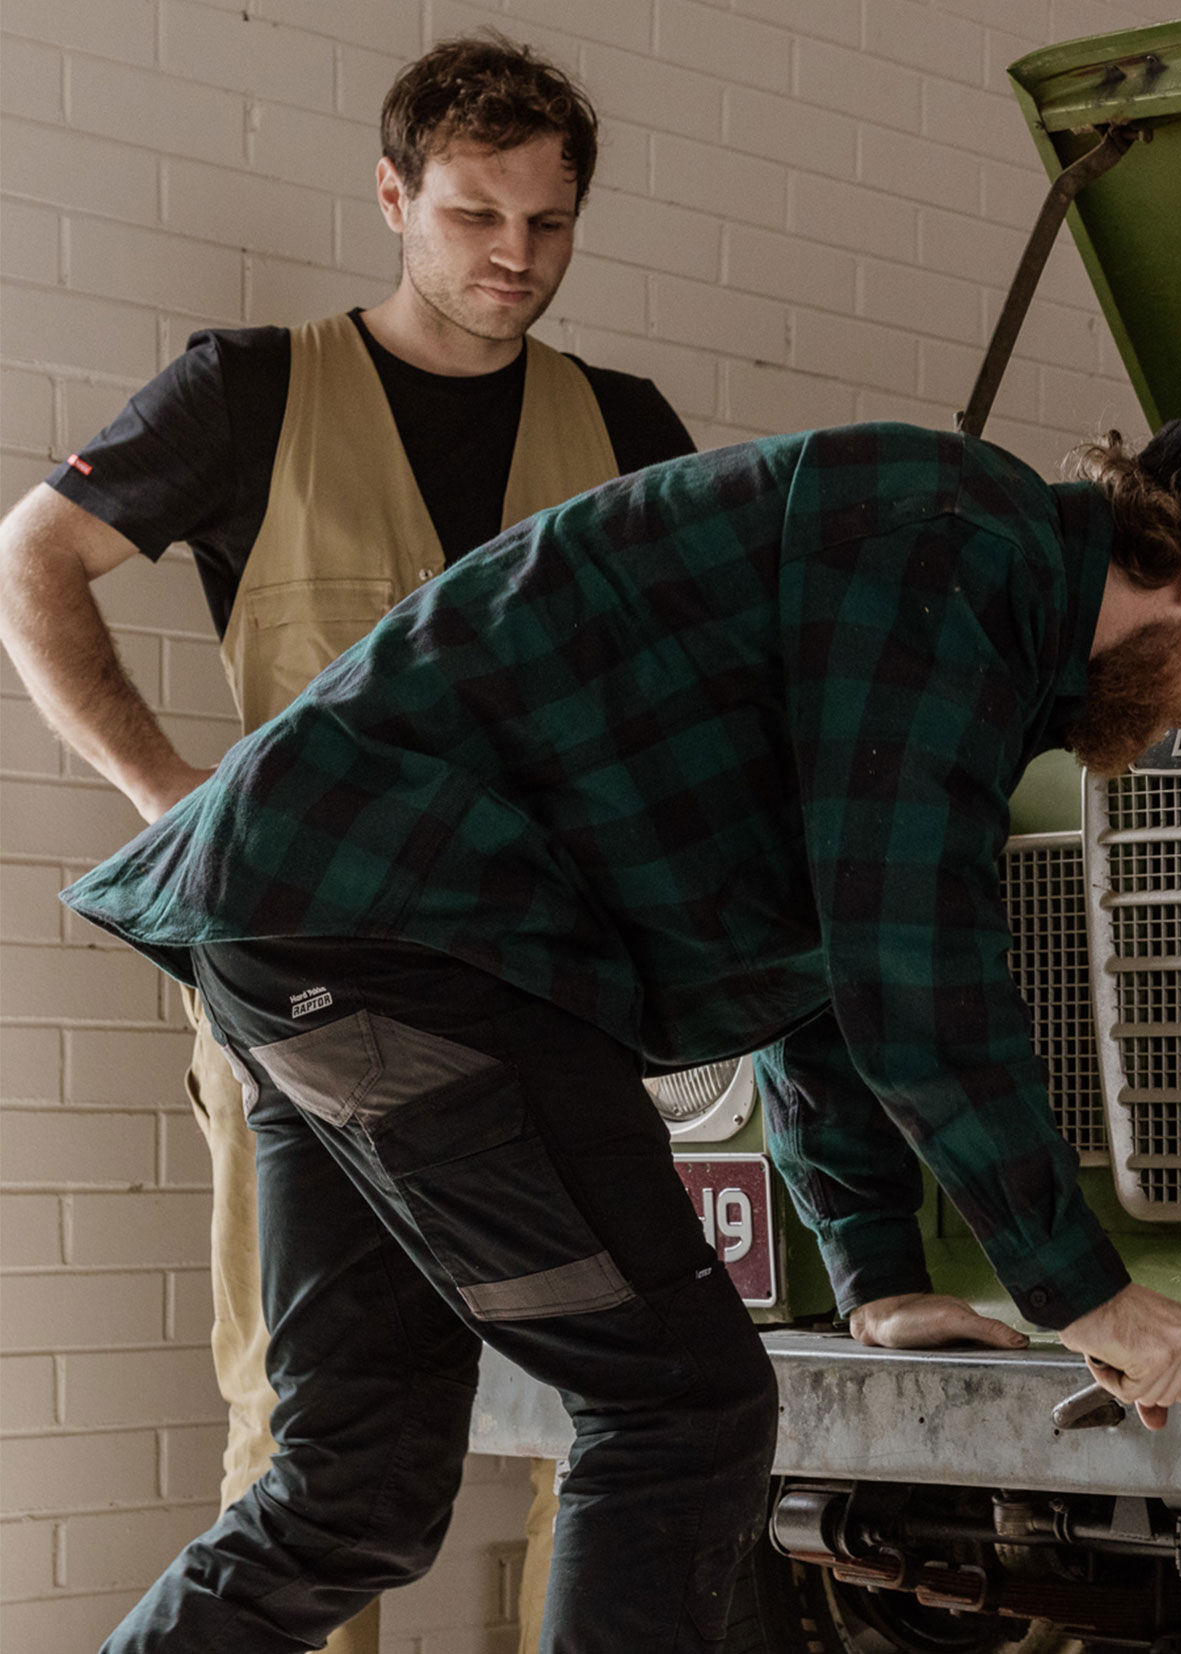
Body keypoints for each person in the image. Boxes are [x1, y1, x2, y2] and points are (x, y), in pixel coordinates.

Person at [60, 407, 1181, 1652]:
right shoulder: (958, 545)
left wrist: (874, 1277)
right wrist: (1083, 1288)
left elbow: (811, 954)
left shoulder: (973, 601)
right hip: (419, 933)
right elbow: (910, 965)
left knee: (356, 1484)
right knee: (681, 1410)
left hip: (297, 918)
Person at [0, 30, 693, 1654]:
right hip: (314, 1013)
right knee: (319, 1443)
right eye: (474, 216)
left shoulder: (630, 426)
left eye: (549, 224)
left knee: (585, 1428)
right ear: (394, 199)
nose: (516, 258)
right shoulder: (251, 390)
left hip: (549, 1006)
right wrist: (174, 799)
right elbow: (32, 562)